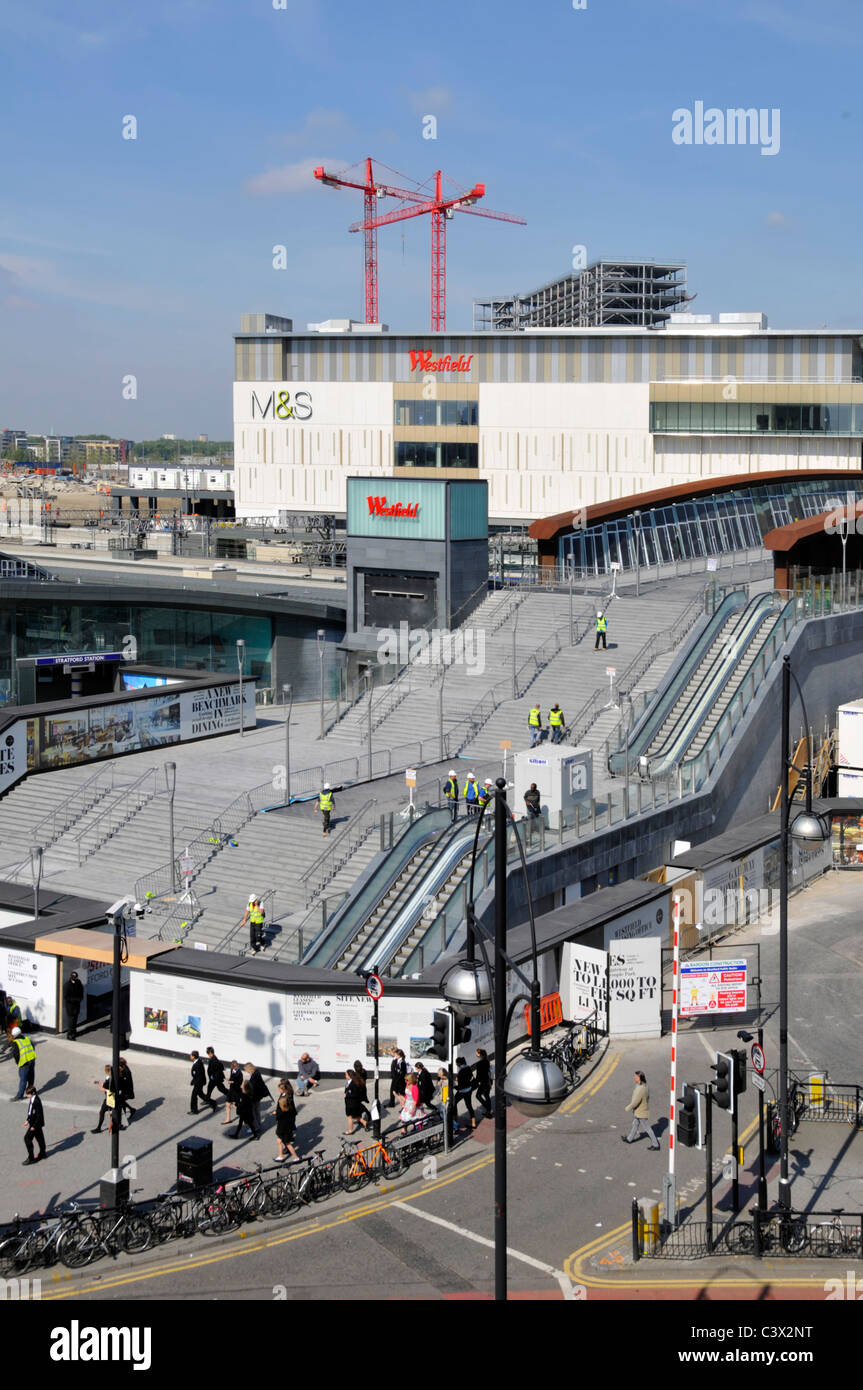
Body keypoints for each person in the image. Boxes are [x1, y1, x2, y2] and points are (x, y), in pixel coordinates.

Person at [622, 1070, 660, 1149]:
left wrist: (627, 1108)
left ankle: (656, 1145)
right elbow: (647, 1097)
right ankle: (629, 1139)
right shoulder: (645, 1085)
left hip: (640, 1112)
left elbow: (635, 1102)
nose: (634, 1077)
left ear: (639, 1078)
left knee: (647, 1128)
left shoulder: (640, 1089)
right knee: (635, 1124)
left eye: (635, 1076)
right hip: (641, 1110)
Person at [272, 1079, 300, 1162]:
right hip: (286, 1127)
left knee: (286, 1143)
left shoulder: (283, 1111)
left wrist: (276, 1113)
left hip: (283, 1129)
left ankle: (296, 1157)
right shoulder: (287, 1105)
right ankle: (281, 1156)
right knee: (280, 1141)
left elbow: (281, 1123)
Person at [91, 1066, 124, 1133]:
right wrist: (99, 1083)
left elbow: (106, 1088)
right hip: (117, 1098)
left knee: (102, 1112)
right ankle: (119, 1124)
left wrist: (101, 1087)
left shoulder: (110, 1080)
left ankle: (99, 1127)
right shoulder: (119, 1077)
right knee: (116, 1111)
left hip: (110, 1098)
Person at [244, 1062, 273, 1133]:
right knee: (257, 1111)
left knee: (252, 1112)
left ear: (249, 1068)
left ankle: (255, 1127)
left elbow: (253, 1087)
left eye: (246, 1070)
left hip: (254, 1097)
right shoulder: (257, 1073)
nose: (246, 1071)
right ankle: (258, 1125)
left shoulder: (254, 1076)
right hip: (258, 1096)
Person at [23, 1085, 46, 1165]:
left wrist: (34, 1126)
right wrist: (27, 1120)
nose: (26, 1095)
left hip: (35, 1124)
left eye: (28, 1094)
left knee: (27, 1138)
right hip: (34, 1123)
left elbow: (39, 1115)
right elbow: (31, 1111)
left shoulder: (36, 1101)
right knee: (40, 1138)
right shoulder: (33, 1098)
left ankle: (31, 1158)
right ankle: (43, 1153)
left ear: (32, 1093)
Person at [10, 1027, 36, 1101]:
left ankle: (19, 1096)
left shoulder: (16, 1042)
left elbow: (16, 1055)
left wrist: (18, 1062)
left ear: (14, 1035)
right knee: (31, 1077)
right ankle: (31, 1092)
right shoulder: (27, 1039)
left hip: (24, 1062)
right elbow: (33, 1047)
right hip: (32, 1059)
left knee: (23, 1079)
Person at [453, 1057, 476, 1131]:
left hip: (462, 1091)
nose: (456, 1064)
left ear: (459, 1063)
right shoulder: (468, 1067)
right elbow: (470, 1077)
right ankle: (473, 1123)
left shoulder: (461, 1071)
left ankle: (455, 1121)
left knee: (454, 1102)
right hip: (469, 1089)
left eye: (456, 1063)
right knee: (469, 1105)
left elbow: (461, 1084)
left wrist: (455, 1087)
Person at [343, 1068, 369, 1135]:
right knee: (354, 1116)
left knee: (349, 1116)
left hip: (351, 1103)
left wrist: (347, 1095)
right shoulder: (350, 1082)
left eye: (346, 1074)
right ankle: (364, 1122)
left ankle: (350, 1130)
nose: (345, 1076)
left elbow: (355, 1094)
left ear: (349, 1075)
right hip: (351, 1103)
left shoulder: (353, 1084)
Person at [189, 1050, 215, 1115]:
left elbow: (199, 1075)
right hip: (198, 1081)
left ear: (194, 1056)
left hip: (198, 1082)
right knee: (201, 1094)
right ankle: (213, 1102)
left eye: (191, 1055)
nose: (190, 1056)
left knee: (194, 1096)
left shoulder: (198, 1064)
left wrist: (195, 1082)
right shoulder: (198, 1062)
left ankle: (194, 1110)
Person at [63, 971, 84, 1041]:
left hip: (76, 1005)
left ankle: (74, 1032)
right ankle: (70, 1034)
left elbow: (81, 991)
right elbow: (66, 997)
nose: (75, 978)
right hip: (70, 1006)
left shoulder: (78, 982)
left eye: (75, 977)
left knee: (75, 1020)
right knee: (71, 1021)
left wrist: (80, 999)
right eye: (73, 977)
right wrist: (75, 1000)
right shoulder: (67, 985)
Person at [224, 1059, 243, 1125]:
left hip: (236, 1091)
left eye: (235, 1067)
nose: (234, 1068)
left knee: (236, 1106)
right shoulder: (232, 1070)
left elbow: (239, 1082)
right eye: (233, 1067)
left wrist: (232, 1082)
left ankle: (243, 1115)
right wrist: (229, 1079)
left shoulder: (240, 1073)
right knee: (227, 1104)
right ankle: (228, 1119)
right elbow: (232, 1078)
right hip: (231, 1090)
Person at [474, 1048, 492, 1119]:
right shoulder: (487, 1061)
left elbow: (478, 1076)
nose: (476, 1054)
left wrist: (475, 1082)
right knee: (487, 1096)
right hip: (488, 1081)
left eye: (477, 1053)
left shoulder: (479, 1064)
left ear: (479, 1054)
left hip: (483, 1082)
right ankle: (488, 1111)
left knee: (478, 1095)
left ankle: (488, 1109)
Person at [117, 1058, 137, 1123]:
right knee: (121, 1101)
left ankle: (123, 1120)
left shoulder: (126, 1071)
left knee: (121, 1102)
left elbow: (125, 1082)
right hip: (125, 1090)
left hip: (126, 1090)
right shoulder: (124, 1068)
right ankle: (131, 1109)